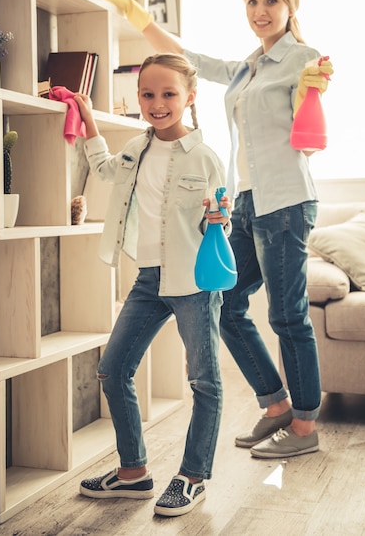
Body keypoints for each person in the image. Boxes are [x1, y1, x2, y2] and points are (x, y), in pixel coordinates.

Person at [96, 0, 334, 460]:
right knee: (225, 301)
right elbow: (189, 60)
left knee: (289, 318)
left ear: (290, 5)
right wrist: (140, 19)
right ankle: (276, 406)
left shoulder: (303, 58)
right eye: (251, 1)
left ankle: (306, 426)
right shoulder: (248, 67)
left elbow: (309, 141)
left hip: (287, 201)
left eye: (270, 0)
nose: (260, 11)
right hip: (246, 201)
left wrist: (311, 92)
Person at [75, 53, 231, 517]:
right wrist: (86, 119)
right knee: (112, 369)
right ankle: (133, 473)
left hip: (194, 282)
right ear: (138, 97)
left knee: (203, 380)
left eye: (168, 94)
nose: (157, 103)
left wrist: (218, 218)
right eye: (148, 94)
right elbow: (104, 170)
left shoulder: (205, 157)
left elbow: (222, 215)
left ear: (189, 97)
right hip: (149, 279)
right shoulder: (133, 150)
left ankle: (193, 476)